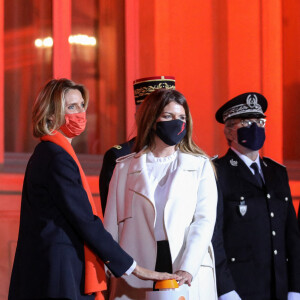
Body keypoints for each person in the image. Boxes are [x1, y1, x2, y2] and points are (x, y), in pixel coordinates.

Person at [8, 79, 179, 300]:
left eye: (82, 106)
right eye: (71, 107)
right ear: (50, 115)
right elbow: (84, 220)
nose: (80, 113)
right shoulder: (56, 157)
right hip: (60, 273)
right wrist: (133, 267)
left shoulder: (52, 152)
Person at [104, 89, 218, 299]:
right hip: (137, 269)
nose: (176, 122)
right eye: (168, 116)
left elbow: (204, 221)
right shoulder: (123, 168)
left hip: (185, 268)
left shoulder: (200, 166)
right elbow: (111, 226)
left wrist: (188, 267)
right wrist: (110, 270)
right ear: (151, 120)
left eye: (181, 117)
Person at [214, 92, 300, 300]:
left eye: (260, 122)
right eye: (246, 122)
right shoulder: (217, 172)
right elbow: (214, 237)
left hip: (279, 287)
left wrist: (295, 288)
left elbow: (292, 236)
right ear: (229, 131)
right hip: (240, 288)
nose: (255, 128)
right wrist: (226, 290)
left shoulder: (277, 172)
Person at [99, 76, 175, 213]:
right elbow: (112, 213)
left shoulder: (190, 157)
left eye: (168, 115)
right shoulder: (120, 156)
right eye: (152, 114)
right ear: (139, 117)